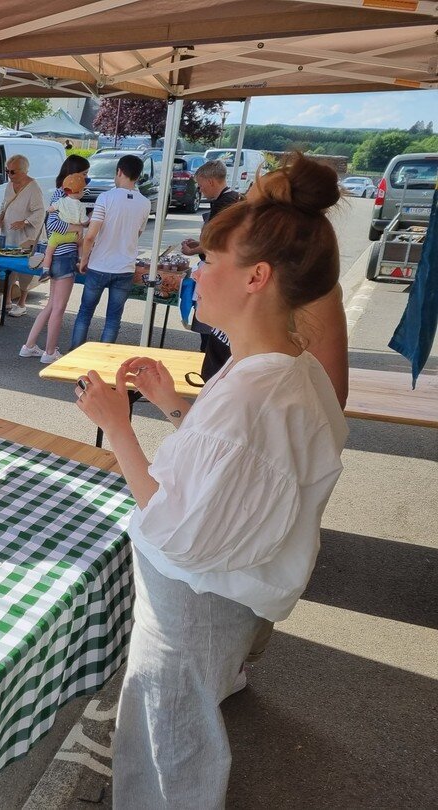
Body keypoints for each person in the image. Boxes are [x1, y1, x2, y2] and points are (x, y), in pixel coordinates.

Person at [74, 154, 347, 807]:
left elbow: (179, 528)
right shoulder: (287, 366)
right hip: (226, 596)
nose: (193, 272)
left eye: (207, 261)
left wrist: (120, 427)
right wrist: (173, 405)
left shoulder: (261, 390)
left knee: (171, 747)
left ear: (255, 276)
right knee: (182, 719)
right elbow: (230, 469)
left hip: (194, 602)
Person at [70, 154, 151, 347]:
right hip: (125, 267)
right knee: (113, 319)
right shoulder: (145, 203)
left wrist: (83, 260)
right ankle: (103, 359)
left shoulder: (106, 198)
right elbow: (137, 234)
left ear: (119, 171)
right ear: (138, 176)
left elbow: (90, 235)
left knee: (85, 312)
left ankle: (74, 354)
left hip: (99, 265)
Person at [21, 158, 90, 364]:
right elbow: (55, 227)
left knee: (52, 305)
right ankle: (50, 352)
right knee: (59, 307)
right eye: (84, 174)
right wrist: (80, 228)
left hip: (57, 256)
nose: (86, 179)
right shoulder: (66, 196)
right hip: (65, 255)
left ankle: (29, 345)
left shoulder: (60, 195)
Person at [180, 159, 244, 378]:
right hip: (220, 272)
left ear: (209, 180)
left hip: (220, 276)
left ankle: (210, 369)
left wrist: (194, 250)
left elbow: (218, 242)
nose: (200, 189)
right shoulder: (231, 200)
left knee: (212, 330)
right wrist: (198, 245)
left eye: (201, 184)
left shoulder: (226, 204)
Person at [0, 154, 45, 316]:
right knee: (9, 266)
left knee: (24, 269)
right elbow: (4, 203)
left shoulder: (33, 187)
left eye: (13, 172)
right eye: (7, 171)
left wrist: (25, 222)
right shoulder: (10, 185)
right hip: (9, 233)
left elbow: (40, 211)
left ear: (24, 171)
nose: (9, 175)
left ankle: (22, 303)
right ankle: (8, 299)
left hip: (26, 236)